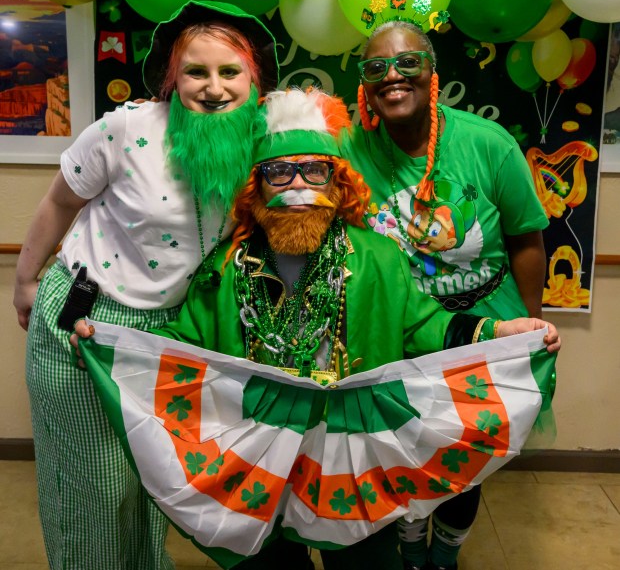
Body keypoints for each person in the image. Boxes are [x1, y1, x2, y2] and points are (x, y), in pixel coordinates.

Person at [74, 87, 560, 569]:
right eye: (279, 172)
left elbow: (429, 328)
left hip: (351, 443)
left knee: (366, 561)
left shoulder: (377, 259)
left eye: (315, 170)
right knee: (270, 561)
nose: (298, 186)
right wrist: (120, 350)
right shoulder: (224, 270)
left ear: (338, 183)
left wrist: (500, 333)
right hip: (257, 448)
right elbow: (184, 348)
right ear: (256, 187)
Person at [14, 0, 279, 570]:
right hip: (83, 325)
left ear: (253, 78)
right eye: (196, 72)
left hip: (169, 338)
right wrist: (25, 280)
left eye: (229, 72)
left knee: (150, 487)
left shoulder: (264, 141)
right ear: (172, 79)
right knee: (97, 492)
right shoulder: (128, 126)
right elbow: (60, 201)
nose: (214, 88)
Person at [340, 17, 550, 570]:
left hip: (484, 335)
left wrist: (531, 323)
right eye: (376, 66)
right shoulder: (348, 150)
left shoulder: (486, 143)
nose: (392, 75)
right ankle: (410, 544)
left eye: (408, 61)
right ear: (364, 83)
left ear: (433, 73)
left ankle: (445, 553)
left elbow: (527, 237)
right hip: (400, 336)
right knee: (401, 452)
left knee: (464, 459)